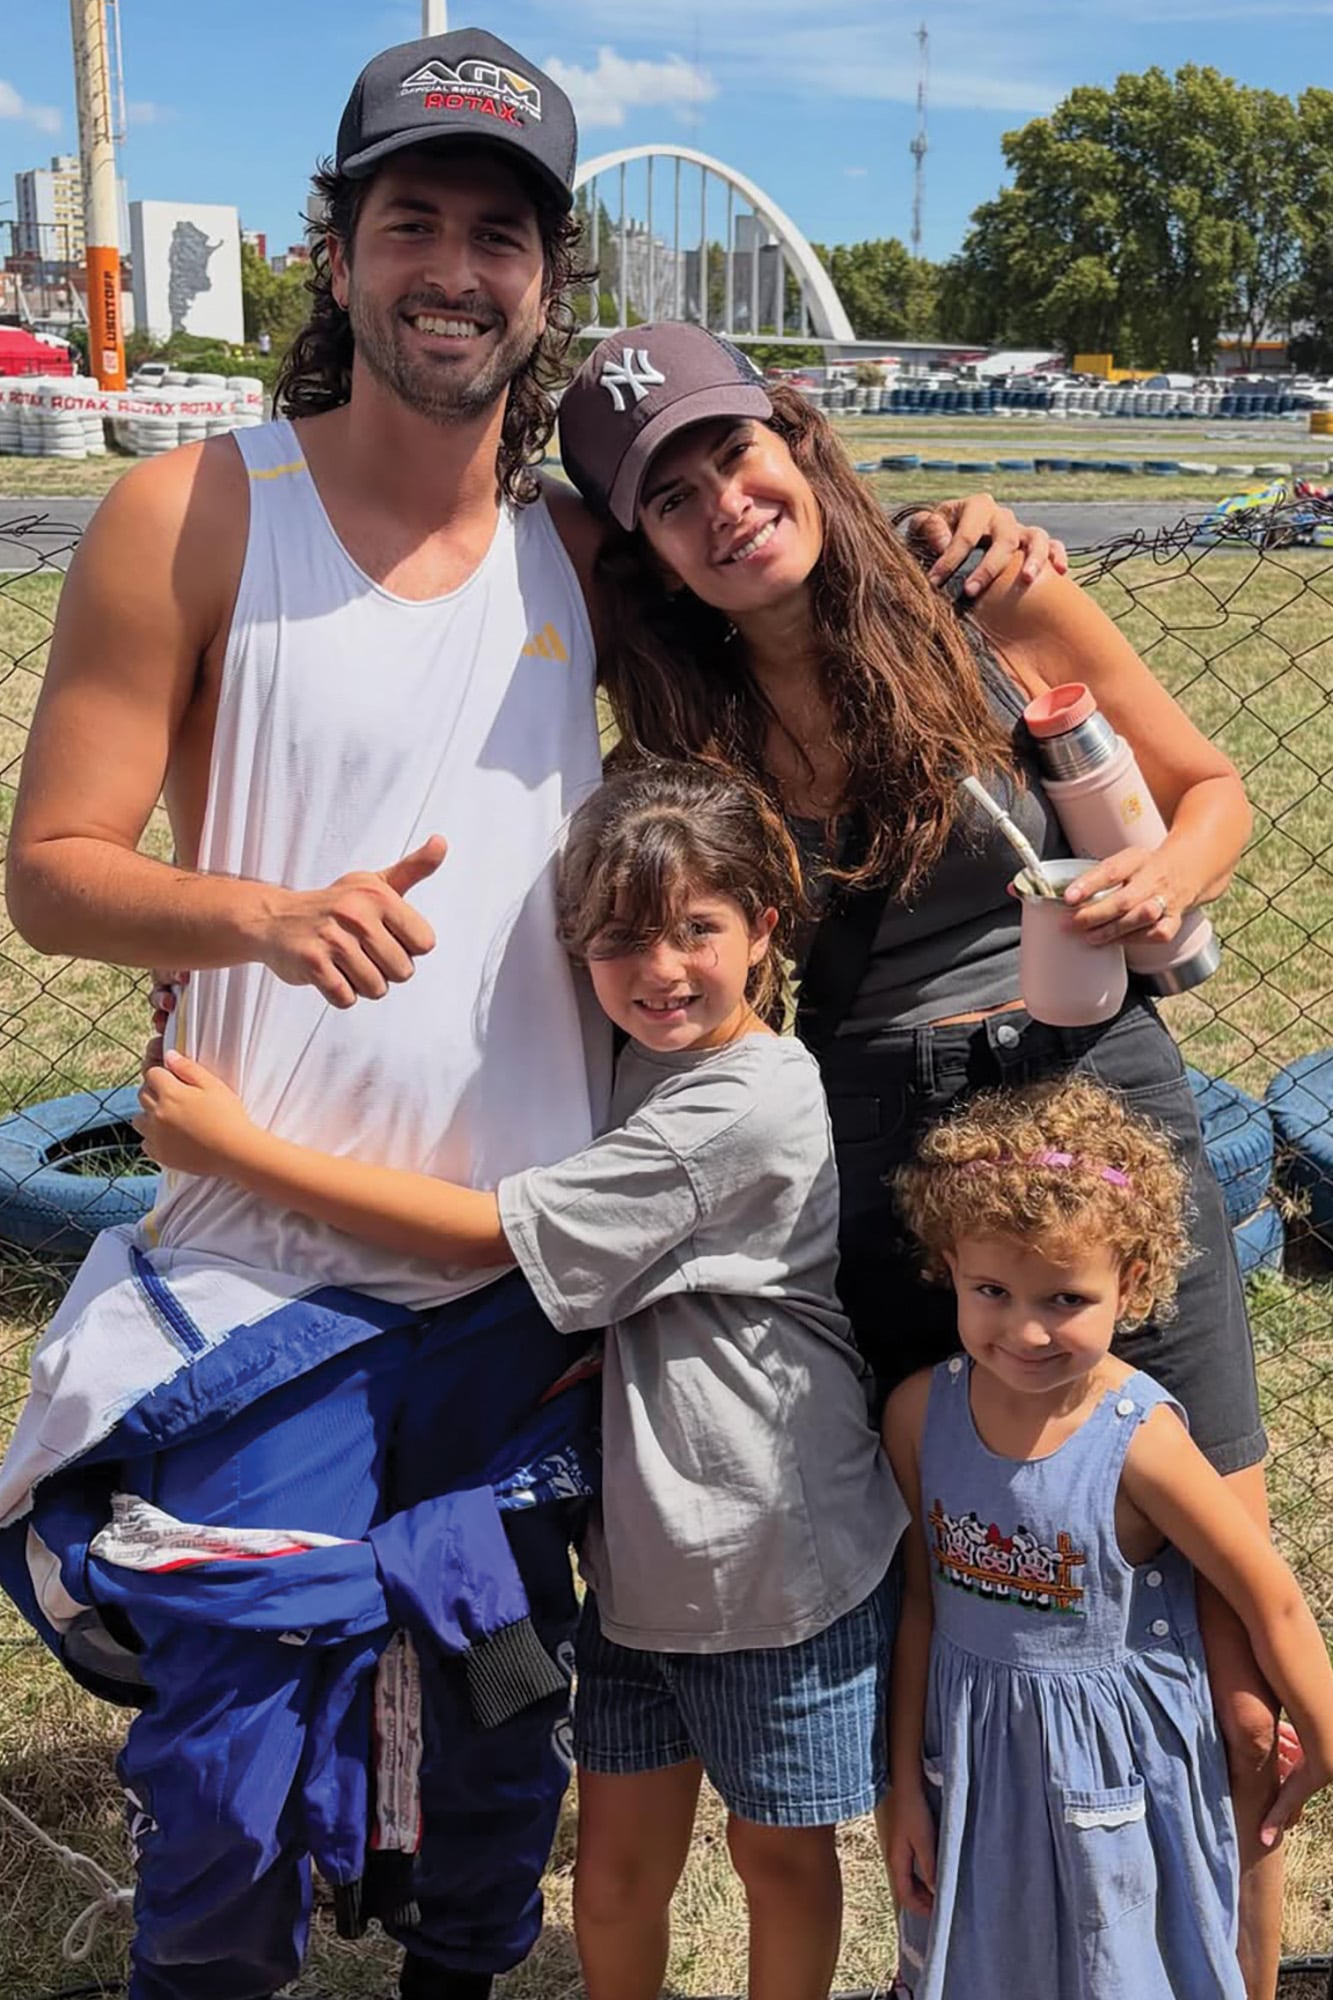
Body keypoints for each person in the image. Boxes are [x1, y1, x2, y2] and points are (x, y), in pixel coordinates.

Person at [0, 22, 1060, 2000]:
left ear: (546, 283)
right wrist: (256, 912)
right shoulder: (196, 513)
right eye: (414, 219)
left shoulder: (585, 548)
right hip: (268, 1274)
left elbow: (795, 595)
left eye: (502, 234)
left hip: (533, 1307)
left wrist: (986, 557)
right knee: (233, 1791)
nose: (456, 267)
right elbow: (52, 867)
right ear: (338, 255)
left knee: (496, 1771)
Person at [554, 322, 1288, 1999]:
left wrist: (1158, 879)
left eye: (731, 451)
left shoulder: (981, 594)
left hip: (1090, 1107)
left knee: (1228, 1654)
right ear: (638, 547)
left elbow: (1205, 786)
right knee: (962, 1623)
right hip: (875, 1167)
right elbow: (506, 540)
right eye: (664, 498)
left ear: (792, 433)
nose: (721, 505)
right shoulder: (676, 702)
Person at [134, 760, 908, 2000]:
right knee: (608, 1874)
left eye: (697, 931)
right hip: (641, 1558)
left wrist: (236, 1153)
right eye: (618, 942)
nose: (660, 972)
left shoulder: (750, 1097)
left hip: (769, 1551)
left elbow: (483, 1231)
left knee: (774, 1853)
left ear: (766, 926)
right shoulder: (613, 1055)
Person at [881, 1075, 1333, 1999]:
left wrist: (1326, 1733)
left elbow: (1267, 1592)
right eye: (993, 1290)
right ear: (947, 1266)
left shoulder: (1140, 1439)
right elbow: (921, 1605)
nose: (1025, 1329)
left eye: (1064, 1298)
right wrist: (903, 1794)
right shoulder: (918, 1414)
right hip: (974, 1765)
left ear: (1128, 1284)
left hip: (1113, 1775)